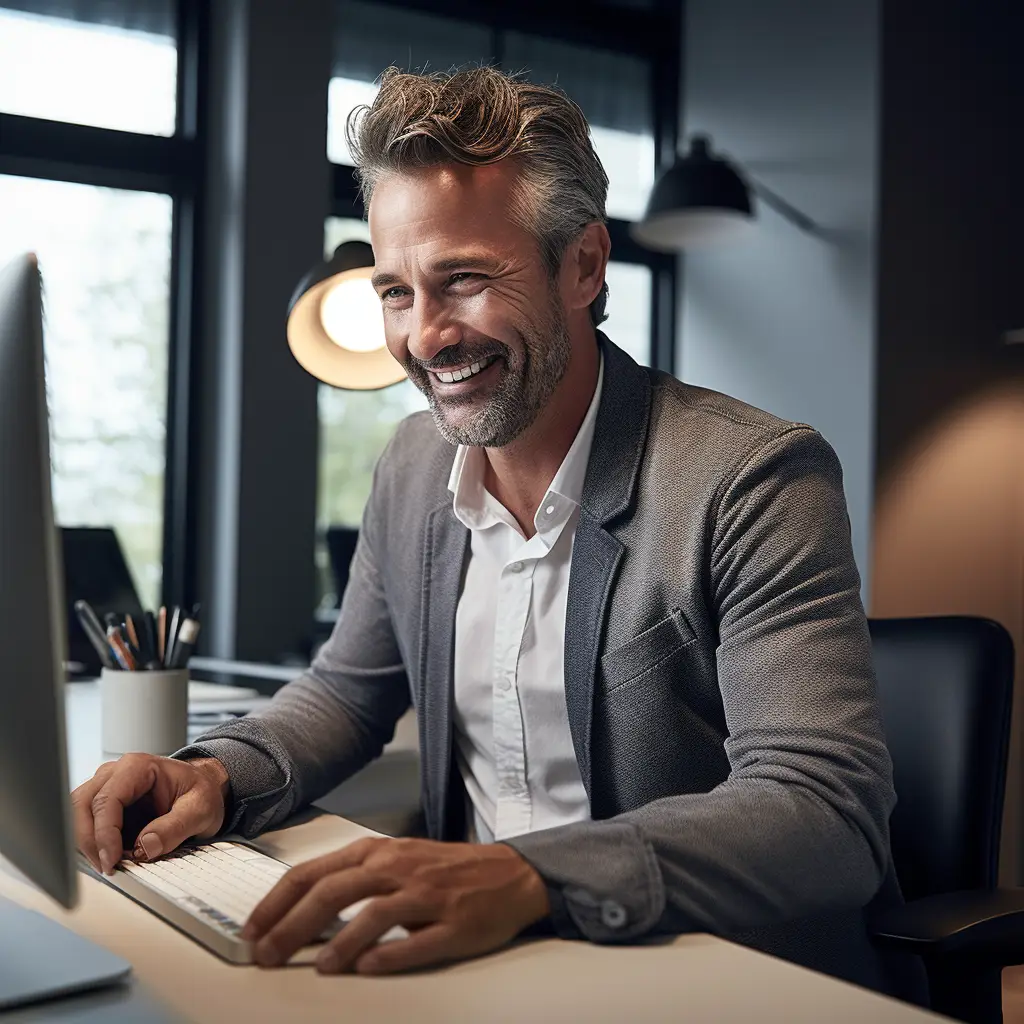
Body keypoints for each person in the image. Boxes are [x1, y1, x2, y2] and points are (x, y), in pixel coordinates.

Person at [72, 66, 921, 999]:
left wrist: (527, 875)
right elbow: (348, 694)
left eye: (464, 280)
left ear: (584, 266)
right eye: (395, 292)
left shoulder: (752, 477)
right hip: (481, 972)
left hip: (704, 977)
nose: (425, 337)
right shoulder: (409, 468)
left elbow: (824, 811)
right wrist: (215, 776)